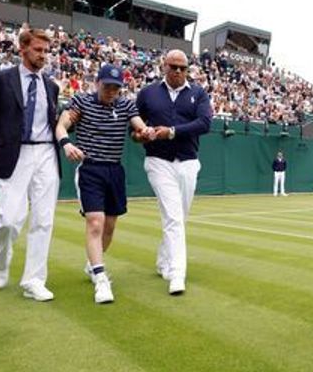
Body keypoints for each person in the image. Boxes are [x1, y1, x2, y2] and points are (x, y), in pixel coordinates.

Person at [0, 29, 61, 302]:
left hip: (46, 155)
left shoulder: (51, 86)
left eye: (46, 51)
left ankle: (34, 280)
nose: (43, 55)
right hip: (13, 156)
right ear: (23, 49)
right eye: (38, 50)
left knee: (43, 220)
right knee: (8, 220)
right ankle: (2, 257)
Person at [55, 64, 155, 304]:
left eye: (116, 87)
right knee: (96, 223)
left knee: (109, 227)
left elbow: (139, 125)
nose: (111, 91)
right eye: (107, 85)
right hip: (90, 169)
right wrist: (67, 144)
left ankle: (92, 265)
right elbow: (61, 125)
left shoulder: (126, 105)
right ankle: (101, 278)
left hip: (114, 171)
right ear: (97, 82)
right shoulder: (81, 102)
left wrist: (146, 132)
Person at [136, 49, 212, 295]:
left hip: (188, 161)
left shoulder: (198, 93)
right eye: (173, 66)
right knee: (173, 217)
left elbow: (205, 123)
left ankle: (163, 260)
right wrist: (142, 134)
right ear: (164, 66)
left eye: (183, 67)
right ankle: (177, 274)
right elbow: (135, 128)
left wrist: (172, 131)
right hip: (158, 161)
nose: (178, 71)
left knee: (180, 216)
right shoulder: (147, 93)